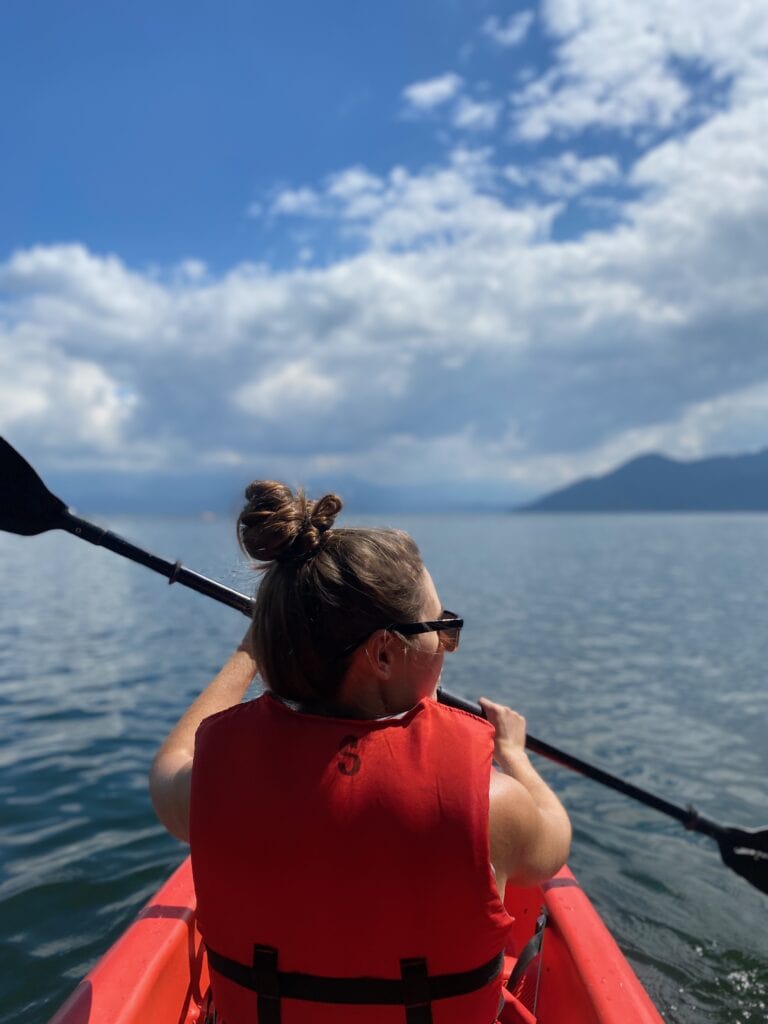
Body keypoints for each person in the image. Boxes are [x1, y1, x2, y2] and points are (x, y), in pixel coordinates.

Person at [150, 481, 571, 1024]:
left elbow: (168, 766)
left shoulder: (211, 786)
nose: (446, 644)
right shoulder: (493, 804)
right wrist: (513, 753)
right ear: (384, 653)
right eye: (443, 629)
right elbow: (553, 843)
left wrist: (251, 648)